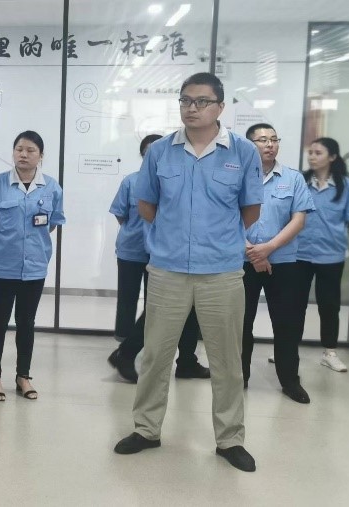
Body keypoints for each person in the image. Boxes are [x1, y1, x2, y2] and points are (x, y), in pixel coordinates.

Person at [114, 72, 262, 473]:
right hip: (168, 269)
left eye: (201, 101)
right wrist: (174, 234)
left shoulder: (243, 152)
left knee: (226, 361)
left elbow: (251, 209)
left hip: (222, 272)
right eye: (185, 101)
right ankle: (146, 429)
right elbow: (146, 205)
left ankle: (230, 439)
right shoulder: (161, 151)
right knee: (155, 356)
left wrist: (216, 237)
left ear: (220, 107)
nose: (191, 108)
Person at [107, 134, 209, 383]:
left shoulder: (180, 180)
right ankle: (126, 350)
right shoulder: (134, 181)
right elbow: (129, 214)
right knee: (159, 306)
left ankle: (186, 361)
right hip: (160, 252)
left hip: (185, 251)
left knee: (187, 308)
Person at [0, 130, 65, 402]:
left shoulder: (52, 187)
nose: (23, 155)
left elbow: (52, 223)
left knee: (27, 322)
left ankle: (23, 376)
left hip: (34, 267)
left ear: (41, 155)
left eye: (30, 150)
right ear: (13, 152)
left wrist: (30, 244)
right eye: (19, 149)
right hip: (1, 266)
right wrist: (2, 244)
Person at [238, 124, 315, 402]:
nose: (269, 144)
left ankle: (290, 381)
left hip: (283, 262)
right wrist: (251, 251)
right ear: (249, 145)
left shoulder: (293, 178)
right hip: (241, 261)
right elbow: (224, 216)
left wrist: (268, 249)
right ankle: (239, 378)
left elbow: (299, 220)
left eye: (273, 139)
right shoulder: (236, 176)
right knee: (240, 324)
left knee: (287, 324)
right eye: (262, 140)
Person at [297, 137, 349, 373]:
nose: (312, 157)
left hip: (331, 255)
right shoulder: (300, 181)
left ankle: (330, 353)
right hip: (299, 253)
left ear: (332, 157)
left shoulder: (347, 185)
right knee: (294, 304)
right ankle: (287, 348)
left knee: (329, 305)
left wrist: (335, 234)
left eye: (318, 153)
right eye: (310, 152)